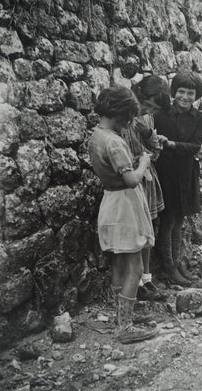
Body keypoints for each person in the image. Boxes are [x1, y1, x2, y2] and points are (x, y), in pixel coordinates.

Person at [88, 85, 157, 344]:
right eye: (128, 117)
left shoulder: (97, 135)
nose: (130, 122)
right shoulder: (115, 142)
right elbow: (130, 180)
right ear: (120, 114)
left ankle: (120, 315)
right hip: (125, 205)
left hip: (111, 201)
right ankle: (125, 327)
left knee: (120, 262)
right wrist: (143, 163)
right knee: (136, 268)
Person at [154, 72, 202, 286]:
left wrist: (173, 145)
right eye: (181, 92)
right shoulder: (161, 115)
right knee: (167, 220)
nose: (185, 97)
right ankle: (168, 267)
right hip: (166, 172)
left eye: (190, 93)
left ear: (197, 95)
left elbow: (195, 146)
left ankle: (177, 262)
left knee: (179, 219)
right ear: (173, 92)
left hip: (186, 173)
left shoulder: (199, 117)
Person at [121, 75, 171, 301]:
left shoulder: (145, 120)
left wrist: (148, 133)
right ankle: (135, 282)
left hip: (147, 180)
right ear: (139, 95)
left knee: (148, 229)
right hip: (131, 181)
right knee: (135, 233)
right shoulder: (123, 118)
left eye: (151, 109)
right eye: (147, 105)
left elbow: (157, 152)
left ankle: (147, 279)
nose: (146, 110)